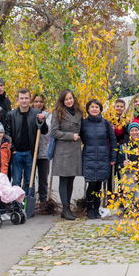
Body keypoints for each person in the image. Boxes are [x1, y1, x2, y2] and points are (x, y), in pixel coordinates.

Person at [5, 88, 48, 193]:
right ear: (17, 99)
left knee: (30, 182)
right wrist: (13, 149)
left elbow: (44, 131)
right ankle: (16, 207)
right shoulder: (11, 115)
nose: (24, 101)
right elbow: (7, 134)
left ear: (30, 99)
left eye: (26, 98)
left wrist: (43, 121)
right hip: (16, 153)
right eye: (21, 98)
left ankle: (28, 207)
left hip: (30, 153)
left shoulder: (36, 113)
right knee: (16, 182)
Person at [81, 99, 117, 219]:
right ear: (88, 109)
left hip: (103, 157)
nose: (94, 109)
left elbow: (113, 141)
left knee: (99, 185)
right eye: (92, 107)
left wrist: (113, 157)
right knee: (91, 184)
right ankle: (90, 209)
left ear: (100, 109)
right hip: (89, 157)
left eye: (97, 107)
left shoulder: (106, 123)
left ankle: (96, 208)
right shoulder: (83, 123)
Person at [50, 89, 83, 220]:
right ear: (62, 101)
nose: (69, 101)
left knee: (71, 179)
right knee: (64, 180)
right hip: (63, 150)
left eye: (71, 98)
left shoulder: (79, 112)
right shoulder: (57, 113)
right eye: (66, 99)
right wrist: (71, 136)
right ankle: (65, 209)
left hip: (74, 150)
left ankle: (68, 207)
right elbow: (54, 131)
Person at [32, 93, 52, 203]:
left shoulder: (49, 116)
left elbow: (50, 132)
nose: (38, 104)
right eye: (36, 101)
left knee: (43, 178)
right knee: (30, 178)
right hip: (32, 152)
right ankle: (30, 199)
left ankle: (43, 201)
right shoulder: (30, 114)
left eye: (40, 101)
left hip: (44, 151)